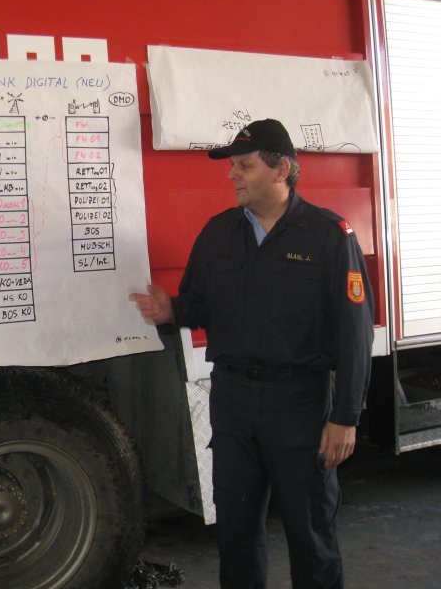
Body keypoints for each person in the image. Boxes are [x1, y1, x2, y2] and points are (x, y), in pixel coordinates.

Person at [132, 119, 374, 589]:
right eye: (233, 166)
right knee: (236, 534)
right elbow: (197, 305)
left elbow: (354, 333)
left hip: (299, 406)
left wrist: (345, 417)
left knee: (311, 533)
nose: (232, 175)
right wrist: (171, 311)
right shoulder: (218, 233)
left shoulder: (328, 235)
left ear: (280, 169)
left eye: (244, 166)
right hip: (233, 404)